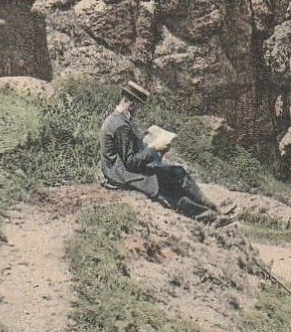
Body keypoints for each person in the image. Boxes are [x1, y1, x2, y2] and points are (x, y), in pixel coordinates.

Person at [99, 81, 234, 225]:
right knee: (167, 187)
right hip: (122, 174)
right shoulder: (120, 125)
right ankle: (209, 217)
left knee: (177, 172)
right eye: (139, 107)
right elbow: (130, 162)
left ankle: (213, 208)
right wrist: (154, 148)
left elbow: (131, 152)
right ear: (130, 103)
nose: (140, 111)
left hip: (124, 169)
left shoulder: (120, 120)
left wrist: (154, 147)